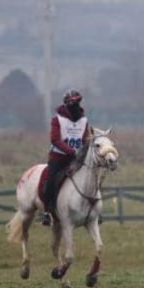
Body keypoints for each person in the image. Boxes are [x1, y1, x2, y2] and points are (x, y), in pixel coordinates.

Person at [41, 89, 91, 226]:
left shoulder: (83, 120)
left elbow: (85, 138)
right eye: (74, 103)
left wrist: (86, 148)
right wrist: (72, 151)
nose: (77, 106)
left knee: (91, 176)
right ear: (68, 104)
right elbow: (55, 139)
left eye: (78, 102)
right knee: (50, 181)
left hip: (76, 158)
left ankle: (93, 210)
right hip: (58, 157)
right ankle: (46, 212)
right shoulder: (57, 119)